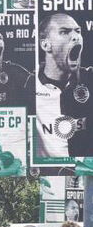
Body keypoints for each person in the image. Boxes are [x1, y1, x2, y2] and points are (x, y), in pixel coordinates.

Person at [35, 12, 93, 157]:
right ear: (45, 44)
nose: (75, 36)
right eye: (64, 32)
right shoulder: (26, 83)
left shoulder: (90, 79)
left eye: (78, 31)